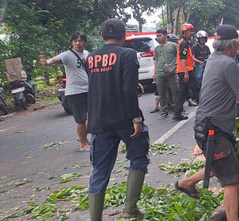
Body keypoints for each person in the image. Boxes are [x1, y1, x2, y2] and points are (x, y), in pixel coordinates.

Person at [174, 25, 239, 221]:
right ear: (233, 43)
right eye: (237, 44)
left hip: (208, 125)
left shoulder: (214, 59)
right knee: (232, 180)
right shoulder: (228, 63)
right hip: (213, 128)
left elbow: (233, 95)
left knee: (222, 164)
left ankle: (186, 183)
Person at [85, 19, 149, 220]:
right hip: (124, 120)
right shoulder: (128, 54)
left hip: (99, 121)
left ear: (102, 36)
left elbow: (101, 83)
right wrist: (136, 119)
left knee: (100, 170)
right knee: (138, 158)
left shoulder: (91, 58)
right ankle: (130, 209)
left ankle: (95, 218)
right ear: (124, 36)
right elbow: (127, 88)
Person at [39, 31, 91, 152]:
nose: (78, 43)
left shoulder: (87, 54)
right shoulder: (67, 55)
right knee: (81, 119)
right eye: (75, 41)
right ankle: (83, 143)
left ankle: (82, 137)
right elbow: (55, 59)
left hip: (88, 89)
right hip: (75, 91)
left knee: (93, 116)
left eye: (80, 40)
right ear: (72, 42)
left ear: (84, 42)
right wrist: (47, 62)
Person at [153, 29, 179, 120]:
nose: (158, 37)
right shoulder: (157, 48)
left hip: (171, 72)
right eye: (157, 36)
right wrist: (155, 73)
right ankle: (164, 112)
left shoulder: (173, 46)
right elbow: (156, 61)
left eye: (160, 35)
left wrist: (176, 65)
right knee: (161, 93)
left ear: (165, 35)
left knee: (175, 91)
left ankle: (179, 110)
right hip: (160, 73)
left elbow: (179, 57)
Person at [175, 23, 196, 121]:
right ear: (184, 32)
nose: (192, 33)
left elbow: (188, 57)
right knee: (185, 91)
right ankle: (177, 113)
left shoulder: (186, 42)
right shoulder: (183, 43)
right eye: (189, 31)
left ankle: (178, 113)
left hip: (187, 69)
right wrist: (186, 73)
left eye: (192, 31)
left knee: (185, 92)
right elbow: (182, 58)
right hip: (185, 71)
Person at [192, 30, 211, 103]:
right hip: (198, 64)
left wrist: (207, 60)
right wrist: (199, 62)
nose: (203, 40)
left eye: (204, 38)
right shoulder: (195, 48)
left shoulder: (207, 47)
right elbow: (192, 57)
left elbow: (210, 55)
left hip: (206, 63)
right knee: (198, 77)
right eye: (201, 38)